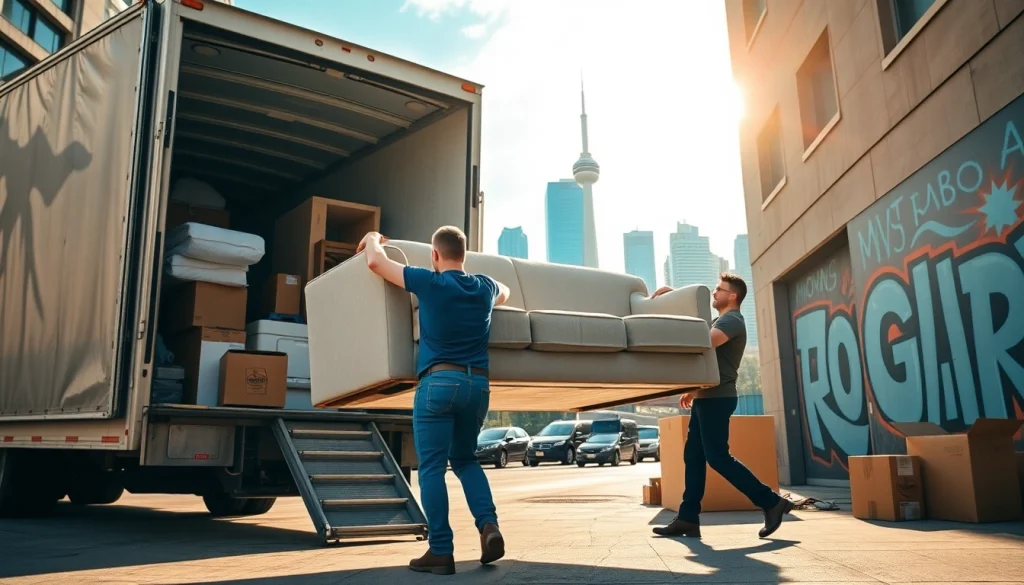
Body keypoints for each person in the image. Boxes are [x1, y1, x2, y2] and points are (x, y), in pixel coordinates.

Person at [357, 227, 511, 576]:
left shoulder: (430, 282)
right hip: (477, 386)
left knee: (431, 469)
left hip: (439, 383)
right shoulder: (484, 286)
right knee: (466, 460)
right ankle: (488, 525)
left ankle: (441, 550)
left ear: (435, 255)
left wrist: (372, 237)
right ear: (464, 256)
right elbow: (505, 291)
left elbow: (376, 263)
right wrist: (488, 295)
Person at [651, 273, 792, 539]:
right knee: (694, 456)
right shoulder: (720, 320)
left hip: (718, 398)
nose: (714, 293)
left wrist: (675, 299)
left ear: (733, 295)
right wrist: (694, 389)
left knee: (717, 458)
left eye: (719, 289)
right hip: (707, 397)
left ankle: (771, 502)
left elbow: (703, 342)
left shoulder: (732, 320)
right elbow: (711, 357)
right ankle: (688, 518)